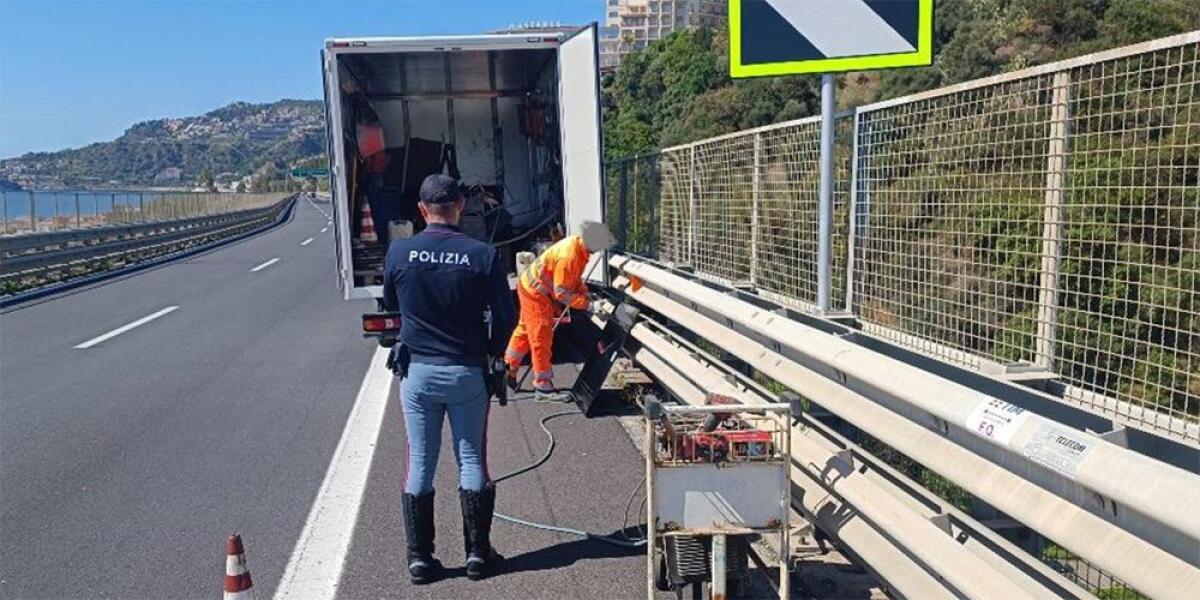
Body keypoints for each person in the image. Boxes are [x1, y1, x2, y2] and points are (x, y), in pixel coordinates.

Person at [382, 174, 516, 584]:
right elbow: (507, 316)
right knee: (472, 459)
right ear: (460, 206)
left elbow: (391, 303)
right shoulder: (482, 255)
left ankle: (420, 560)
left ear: (422, 210)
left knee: (420, 463)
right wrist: (494, 355)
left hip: (418, 374)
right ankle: (478, 555)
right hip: (466, 372)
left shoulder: (400, 252)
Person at [504, 221, 615, 399]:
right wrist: (588, 305)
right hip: (537, 293)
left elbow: (573, 278)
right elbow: (562, 293)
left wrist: (585, 294)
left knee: (525, 330)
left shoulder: (577, 246)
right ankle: (542, 386)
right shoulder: (570, 255)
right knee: (541, 336)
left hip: (530, 286)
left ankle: (509, 368)